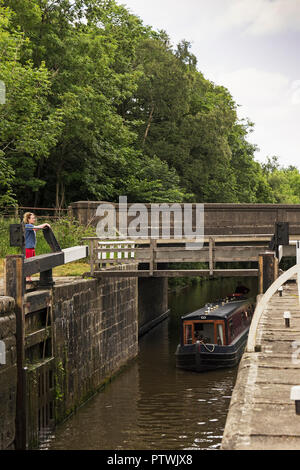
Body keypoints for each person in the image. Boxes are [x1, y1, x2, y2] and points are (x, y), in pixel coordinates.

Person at [23, 212, 51, 281]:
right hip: (28, 248)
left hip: (31, 248)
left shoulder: (31, 226)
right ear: (28, 219)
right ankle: (27, 278)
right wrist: (45, 224)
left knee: (32, 263)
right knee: (29, 263)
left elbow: (36, 228)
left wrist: (43, 226)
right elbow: (37, 228)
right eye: (32, 218)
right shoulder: (27, 226)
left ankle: (29, 277)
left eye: (34, 218)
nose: (34, 219)